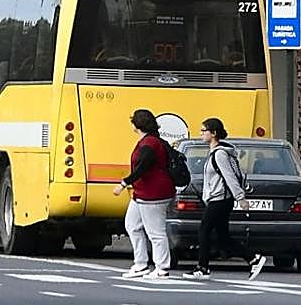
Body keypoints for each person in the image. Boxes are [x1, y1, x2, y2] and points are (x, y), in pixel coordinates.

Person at [183, 117, 266, 281]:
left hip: (220, 200)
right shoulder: (215, 152)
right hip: (217, 199)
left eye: (204, 130)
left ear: (213, 133)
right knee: (223, 238)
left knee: (204, 231)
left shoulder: (220, 154)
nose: (201, 133)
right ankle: (253, 258)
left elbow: (229, 177)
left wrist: (241, 198)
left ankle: (202, 267)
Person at [113, 108, 175, 279]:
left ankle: (162, 268)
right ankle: (140, 264)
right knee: (132, 225)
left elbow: (143, 167)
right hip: (142, 193)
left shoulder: (149, 144)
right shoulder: (149, 141)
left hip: (153, 193)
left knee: (156, 231)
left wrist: (124, 183)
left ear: (137, 124)